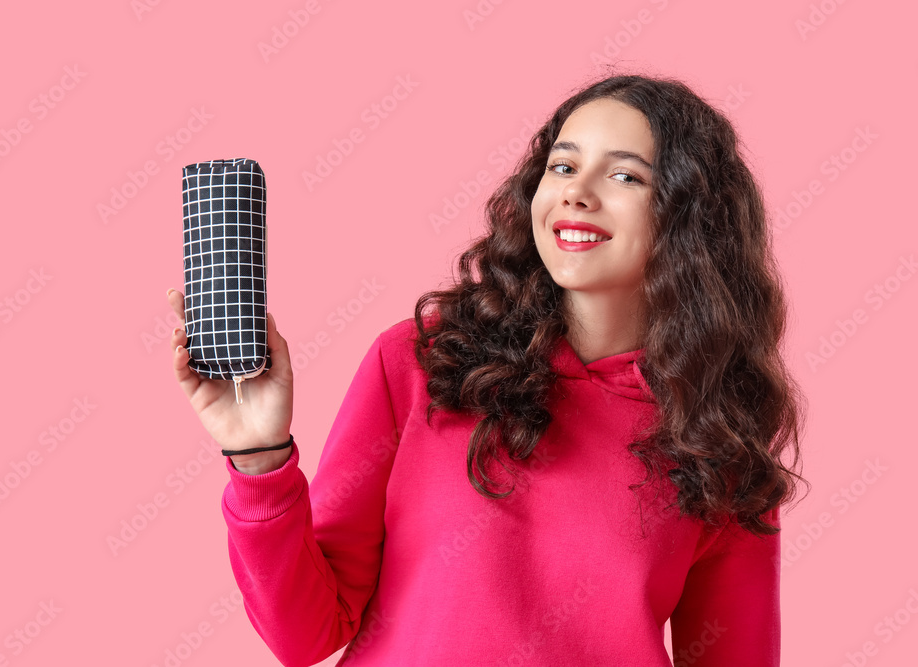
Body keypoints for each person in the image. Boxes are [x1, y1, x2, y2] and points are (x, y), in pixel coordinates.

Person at [165, 72, 808, 666]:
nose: (576, 194)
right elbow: (306, 634)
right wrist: (257, 457)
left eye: (626, 178)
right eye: (562, 166)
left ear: (690, 220)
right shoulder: (422, 362)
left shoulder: (719, 435)